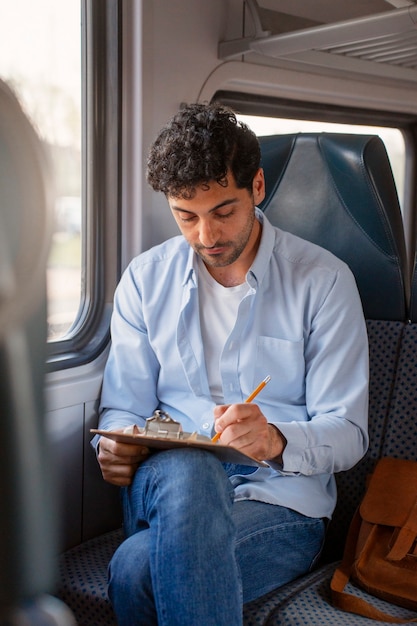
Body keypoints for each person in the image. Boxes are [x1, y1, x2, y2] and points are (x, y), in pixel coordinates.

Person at [93, 102, 369, 626]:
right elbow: (120, 410)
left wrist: (276, 440)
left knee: (135, 570)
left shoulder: (324, 281)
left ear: (257, 188)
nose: (206, 236)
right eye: (186, 216)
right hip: (165, 488)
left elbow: (350, 431)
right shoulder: (143, 279)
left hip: (279, 500)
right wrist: (111, 445)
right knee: (190, 467)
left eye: (223, 211)